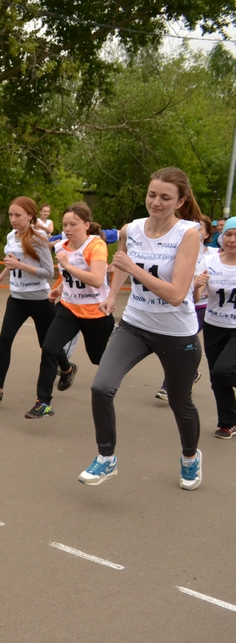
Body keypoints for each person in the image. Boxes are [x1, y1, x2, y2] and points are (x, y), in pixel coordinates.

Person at [80, 167, 203, 490]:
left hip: (177, 332)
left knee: (180, 401)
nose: (156, 202)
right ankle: (106, 458)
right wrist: (110, 295)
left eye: (165, 197)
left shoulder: (189, 234)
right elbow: (121, 261)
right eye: (152, 194)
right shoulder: (131, 229)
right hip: (135, 324)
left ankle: (190, 457)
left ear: (180, 202)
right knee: (101, 387)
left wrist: (135, 269)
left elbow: (177, 294)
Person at [0, 196, 74, 403]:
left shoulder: (38, 239)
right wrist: (1, 276)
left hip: (40, 300)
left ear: (30, 216)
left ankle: (66, 369)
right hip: (17, 298)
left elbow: (48, 272)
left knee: (47, 344)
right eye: (11, 214)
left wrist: (21, 267)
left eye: (18, 215)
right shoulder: (11, 236)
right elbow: (13, 261)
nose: (13, 219)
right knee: (5, 339)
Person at [27, 203, 115, 418]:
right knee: (50, 347)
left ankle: (121, 345)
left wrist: (68, 266)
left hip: (96, 312)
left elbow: (95, 279)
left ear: (86, 225)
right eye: (65, 224)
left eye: (73, 224)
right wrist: (58, 289)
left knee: (98, 358)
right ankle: (43, 402)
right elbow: (67, 277)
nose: (67, 228)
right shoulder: (60, 247)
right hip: (69, 309)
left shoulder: (97, 246)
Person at [154, 214, 212, 400]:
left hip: (201, 306)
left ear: (207, 233)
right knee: (175, 345)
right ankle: (190, 374)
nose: (194, 230)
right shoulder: (178, 248)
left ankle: (167, 386)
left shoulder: (212, 255)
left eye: (199, 228)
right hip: (179, 303)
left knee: (183, 343)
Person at [196, 216, 236, 439]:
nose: (232, 240)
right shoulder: (210, 261)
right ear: (221, 237)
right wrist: (197, 286)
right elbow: (196, 295)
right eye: (228, 234)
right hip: (214, 325)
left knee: (224, 370)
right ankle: (228, 422)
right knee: (216, 376)